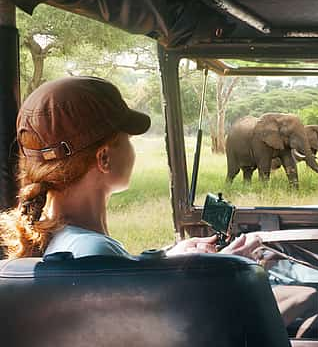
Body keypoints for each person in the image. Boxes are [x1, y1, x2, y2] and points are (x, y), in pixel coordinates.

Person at [0, 76, 259, 259]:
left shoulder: (64, 240)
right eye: (128, 140)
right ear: (104, 159)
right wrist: (229, 271)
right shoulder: (94, 253)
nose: (133, 150)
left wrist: (169, 258)